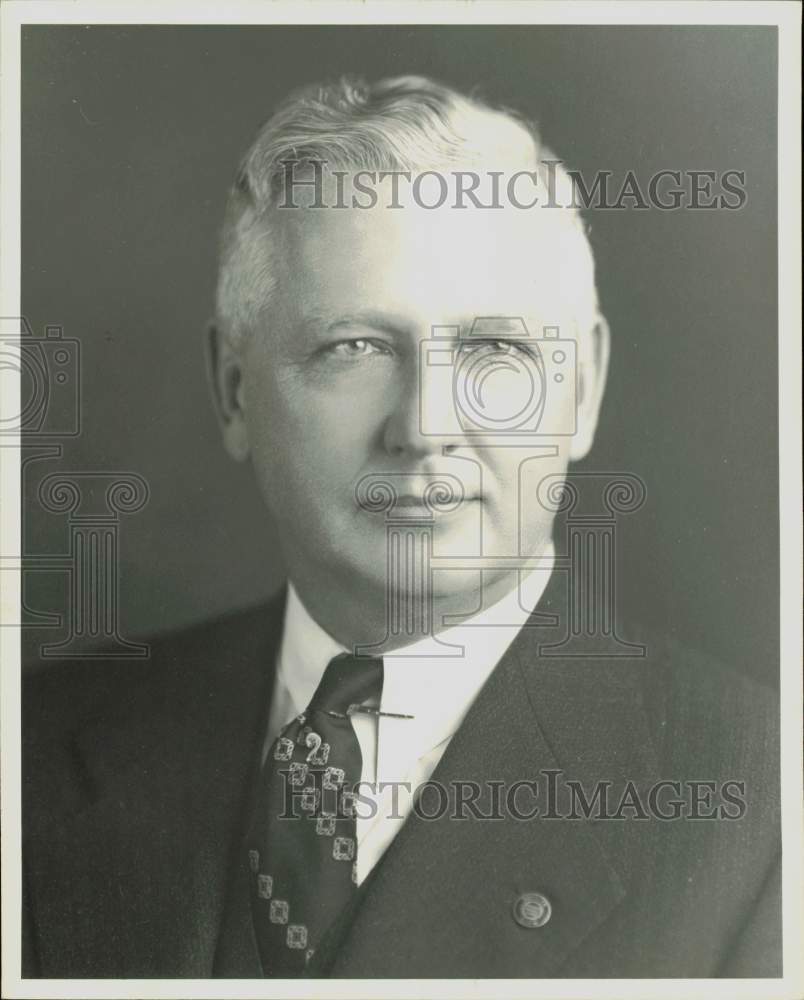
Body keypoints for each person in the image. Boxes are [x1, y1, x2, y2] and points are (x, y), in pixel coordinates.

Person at [22, 76, 780, 979]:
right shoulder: (29, 747)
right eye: (356, 347)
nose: (425, 426)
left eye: (496, 349)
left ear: (582, 390)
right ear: (233, 389)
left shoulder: (764, 810)